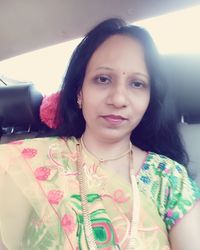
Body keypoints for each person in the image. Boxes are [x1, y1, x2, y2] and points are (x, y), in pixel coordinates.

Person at [0, 18, 200, 250]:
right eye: (103, 79)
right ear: (79, 93)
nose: (118, 99)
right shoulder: (29, 164)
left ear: (148, 99)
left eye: (137, 84)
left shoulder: (169, 179)